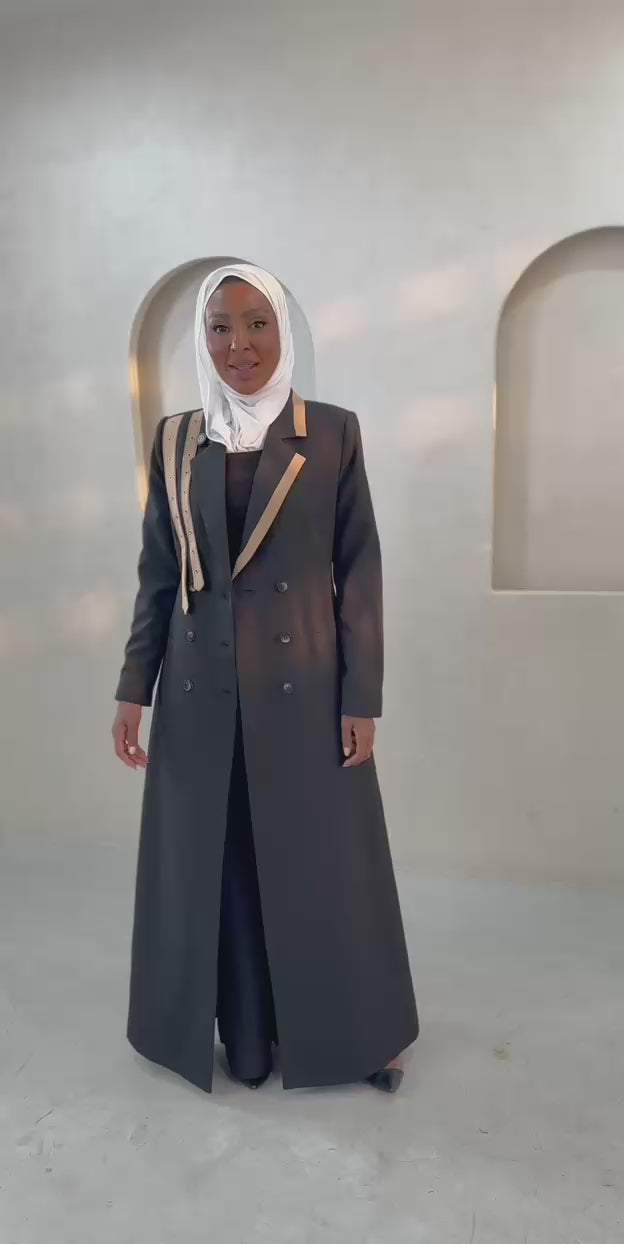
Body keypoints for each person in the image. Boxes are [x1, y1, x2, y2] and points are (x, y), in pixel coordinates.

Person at [112, 263, 418, 1094]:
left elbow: (359, 573)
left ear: (283, 331)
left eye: (256, 324)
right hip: (199, 693)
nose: (238, 345)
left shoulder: (332, 433)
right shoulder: (178, 439)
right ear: (202, 339)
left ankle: (352, 1035)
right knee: (218, 865)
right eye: (220, 327)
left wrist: (361, 696)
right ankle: (243, 1035)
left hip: (304, 692)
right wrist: (134, 685)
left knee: (324, 866)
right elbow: (158, 573)